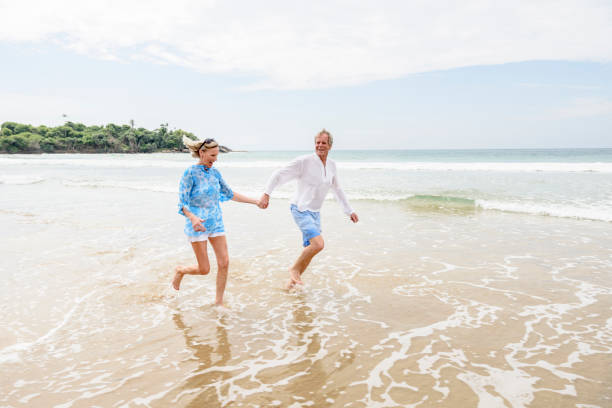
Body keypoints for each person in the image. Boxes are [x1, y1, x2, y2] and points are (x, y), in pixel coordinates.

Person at [259, 129, 359, 289]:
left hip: (315, 213)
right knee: (318, 244)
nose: (320, 145)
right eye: (317, 142)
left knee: (309, 250)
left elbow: (337, 189)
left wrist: (349, 211)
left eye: (323, 143)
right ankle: (294, 270)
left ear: (330, 146)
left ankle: (289, 286)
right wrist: (266, 194)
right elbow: (279, 174)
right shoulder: (304, 161)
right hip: (300, 208)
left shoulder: (332, 165)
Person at [173, 136, 262, 306]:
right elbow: (182, 203)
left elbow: (231, 194)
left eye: (217, 155)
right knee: (204, 269)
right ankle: (180, 271)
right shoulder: (190, 173)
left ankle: (218, 302)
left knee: (224, 262)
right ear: (202, 153)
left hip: (216, 222)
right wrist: (192, 218)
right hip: (197, 226)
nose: (215, 159)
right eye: (212, 156)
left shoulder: (215, 173)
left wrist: (255, 201)